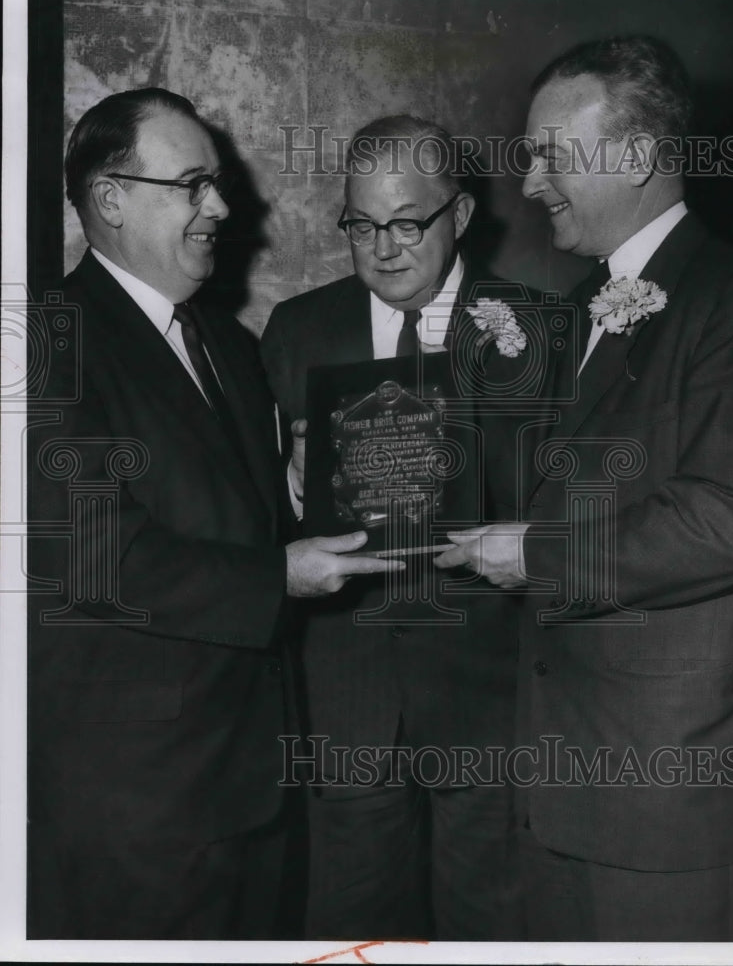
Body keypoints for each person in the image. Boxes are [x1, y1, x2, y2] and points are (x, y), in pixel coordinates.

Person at [26, 87, 401, 940]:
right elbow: (91, 553)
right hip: (134, 803)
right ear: (110, 197)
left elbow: (225, 510)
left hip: (250, 780)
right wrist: (282, 573)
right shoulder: (45, 338)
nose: (221, 207)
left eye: (218, 184)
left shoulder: (226, 342)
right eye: (193, 184)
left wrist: (297, 491)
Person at [436, 36, 733, 941]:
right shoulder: (576, 305)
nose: (529, 182)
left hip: (666, 798)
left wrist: (533, 554)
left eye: (550, 155)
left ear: (642, 157)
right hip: (558, 785)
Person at [261, 115, 532, 939]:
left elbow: (571, 510)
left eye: (408, 222)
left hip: (492, 705)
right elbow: (248, 514)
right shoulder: (297, 329)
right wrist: (287, 480)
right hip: (346, 699)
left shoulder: (538, 329)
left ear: (461, 215)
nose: (384, 248)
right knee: (356, 936)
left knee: (493, 933)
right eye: (362, 224)